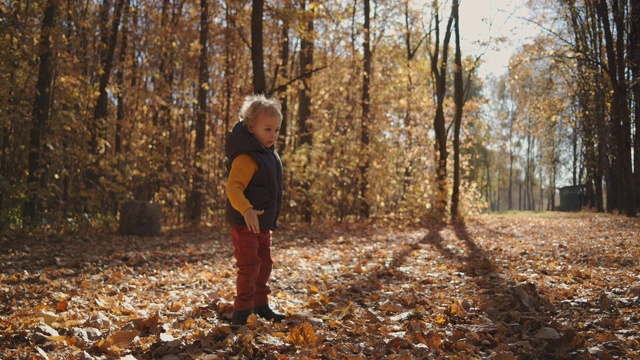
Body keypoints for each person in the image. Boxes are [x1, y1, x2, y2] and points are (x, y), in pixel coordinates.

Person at [225, 94, 285, 325]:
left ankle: (260, 305)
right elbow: (233, 188)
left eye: (277, 130)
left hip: (263, 224)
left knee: (264, 265)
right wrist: (247, 210)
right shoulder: (247, 157)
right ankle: (242, 311)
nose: (273, 135)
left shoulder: (268, 155)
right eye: (267, 129)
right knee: (249, 267)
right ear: (251, 126)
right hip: (245, 223)